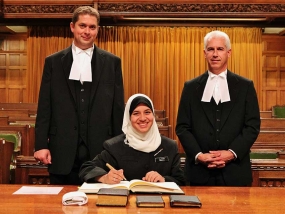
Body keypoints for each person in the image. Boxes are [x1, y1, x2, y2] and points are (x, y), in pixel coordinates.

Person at [34, 6, 125, 185]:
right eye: (82, 26)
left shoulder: (112, 62)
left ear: (98, 30)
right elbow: (45, 106)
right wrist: (41, 145)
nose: (87, 31)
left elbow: (117, 109)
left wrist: (118, 150)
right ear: (72, 27)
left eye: (92, 27)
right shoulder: (53, 62)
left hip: (100, 151)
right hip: (62, 150)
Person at [175, 30, 260, 186]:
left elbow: (252, 126)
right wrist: (200, 155)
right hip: (198, 173)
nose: (215, 54)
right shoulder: (190, 87)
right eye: (210, 49)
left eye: (220, 49)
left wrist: (231, 153)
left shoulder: (245, 86)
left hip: (235, 172)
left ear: (229, 53)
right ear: (204, 53)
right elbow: (182, 127)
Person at [79, 94, 185, 186]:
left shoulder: (169, 146)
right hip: (125, 206)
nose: (143, 118)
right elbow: (86, 168)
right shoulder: (114, 146)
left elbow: (180, 180)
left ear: (153, 115)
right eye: (136, 113)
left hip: (162, 206)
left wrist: (164, 179)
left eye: (147, 112)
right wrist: (104, 177)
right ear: (128, 118)